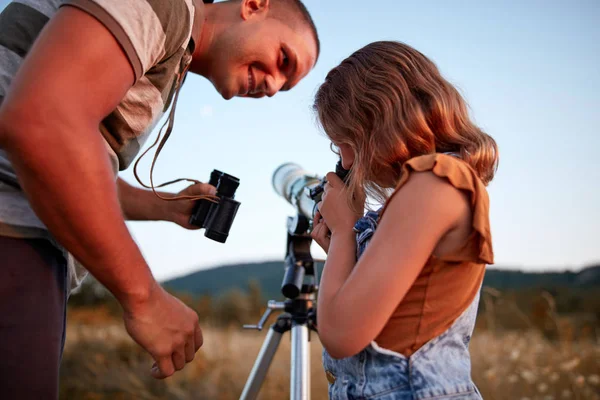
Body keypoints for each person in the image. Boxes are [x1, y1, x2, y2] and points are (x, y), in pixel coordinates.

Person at [0, 0, 319, 397]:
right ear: (254, 6)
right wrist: (144, 296)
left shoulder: (170, 40)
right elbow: (42, 122)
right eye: (283, 59)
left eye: (284, 88)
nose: (273, 86)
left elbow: (66, 161)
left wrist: (163, 207)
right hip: (13, 232)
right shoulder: (168, 6)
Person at [310, 41, 498, 399]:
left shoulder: (433, 183)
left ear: (377, 123)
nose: (346, 163)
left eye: (345, 142)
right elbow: (384, 314)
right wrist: (340, 245)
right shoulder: (424, 191)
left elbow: (340, 335)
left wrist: (347, 231)